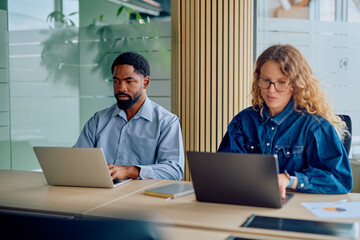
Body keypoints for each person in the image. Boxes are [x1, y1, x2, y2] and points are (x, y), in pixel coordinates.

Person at [218, 44, 352, 197]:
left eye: (281, 82)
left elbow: (340, 180)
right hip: (249, 202)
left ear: (295, 84)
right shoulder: (243, 121)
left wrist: (291, 180)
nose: (271, 89)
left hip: (298, 210)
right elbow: (226, 171)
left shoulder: (315, 126)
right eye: (265, 80)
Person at [74, 52, 184, 180]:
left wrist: (130, 171)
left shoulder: (166, 122)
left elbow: (174, 171)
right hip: (100, 194)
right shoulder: (98, 120)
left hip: (142, 197)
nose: (121, 88)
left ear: (145, 82)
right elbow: (77, 160)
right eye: (116, 81)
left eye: (129, 81)